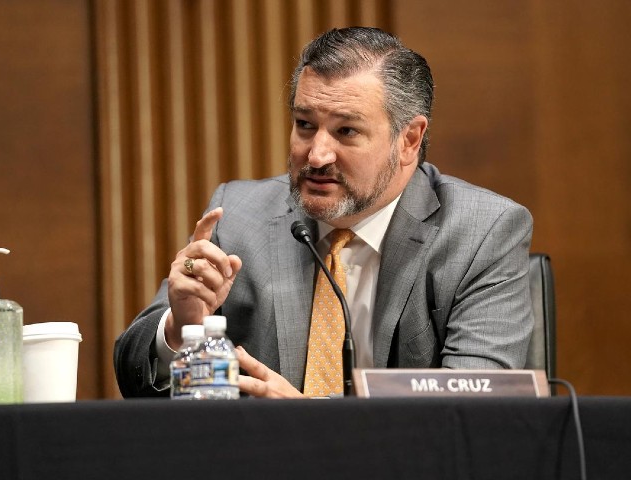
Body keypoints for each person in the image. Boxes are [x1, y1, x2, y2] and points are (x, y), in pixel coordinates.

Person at [114, 27, 533, 399]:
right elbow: (134, 379)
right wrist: (181, 327)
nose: (316, 155)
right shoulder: (240, 216)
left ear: (409, 140)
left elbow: (476, 416)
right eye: (305, 124)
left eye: (346, 131)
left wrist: (314, 428)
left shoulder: (482, 232)